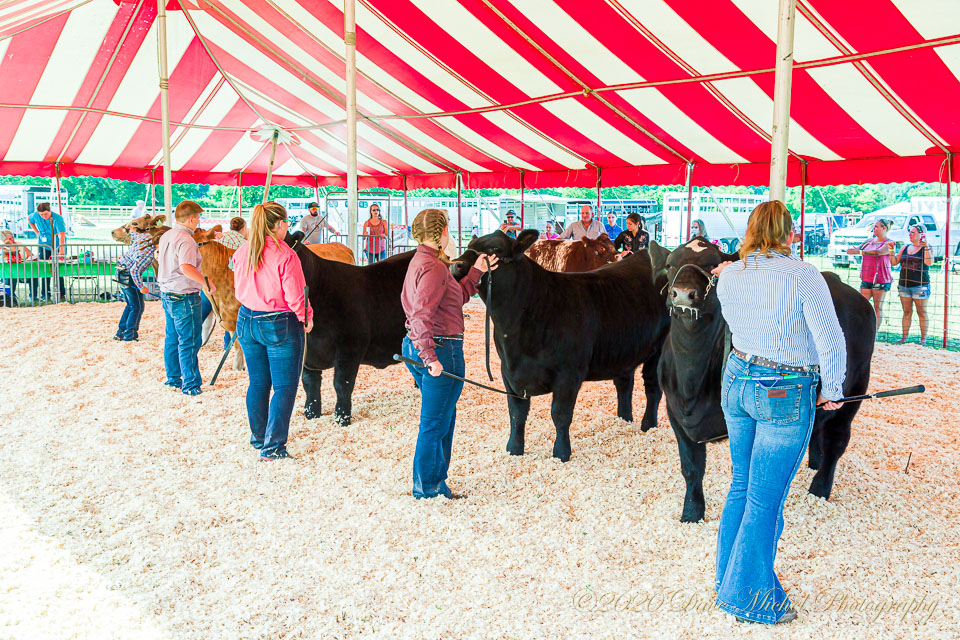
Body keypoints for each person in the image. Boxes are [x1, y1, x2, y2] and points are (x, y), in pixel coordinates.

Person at [711, 200, 846, 625]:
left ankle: (727, 580)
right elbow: (830, 339)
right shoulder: (803, 274)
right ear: (789, 233)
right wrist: (834, 389)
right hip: (783, 387)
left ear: (751, 231)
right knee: (764, 497)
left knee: (741, 484)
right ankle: (750, 597)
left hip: (737, 377)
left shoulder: (729, 274)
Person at [401, 208, 498, 499]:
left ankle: (432, 482)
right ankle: (428, 487)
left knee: (441, 417)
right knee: (435, 422)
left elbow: (454, 298)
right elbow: (421, 314)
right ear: (442, 231)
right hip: (441, 348)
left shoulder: (423, 261)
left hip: (422, 345)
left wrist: (475, 272)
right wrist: (430, 357)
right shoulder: (433, 267)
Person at [233, 202, 312, 461]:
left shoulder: (243, 251)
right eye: (286, 222)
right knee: (284, 387)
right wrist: (306, 317)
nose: (287, 227)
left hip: (246, 318)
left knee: (258, 383)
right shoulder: (285, 254)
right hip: (278, 322)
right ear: (279, 224)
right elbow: (295, 296)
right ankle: (273, 447)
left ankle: (259, 438)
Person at [157, 200, 210, 396]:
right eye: (198, 217)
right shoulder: (186, 239)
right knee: (189, 340)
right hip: (184, 295)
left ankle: (173, 379)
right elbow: (186, 267)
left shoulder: (167, 235)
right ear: (191, 219)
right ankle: (191, 385)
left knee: (172, 338)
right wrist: (206, 282)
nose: (198, 221)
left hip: (167, 293)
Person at [846, 219, 894, 328]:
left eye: (876, 226)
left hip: (880, 279)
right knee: (859, 304)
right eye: (874, 226)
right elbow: (858, 249)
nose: (874, 229)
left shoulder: (889, 243)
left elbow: (878, 252)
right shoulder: (868, 241)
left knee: (877, 307)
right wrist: (852, 250)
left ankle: (874, 332)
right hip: (866, 278)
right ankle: (861, 329)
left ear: (884, 228)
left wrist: (859, 252)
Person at [892, 224, 933, 344]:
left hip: (920, 285)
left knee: (921, 312)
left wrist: (925, 246)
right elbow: (894, 262)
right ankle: (904, 338)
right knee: (906, 312)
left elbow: (929, 263)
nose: (910, 234)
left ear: (921, 234)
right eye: (910, 232)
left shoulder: (927, 247)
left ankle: (923, 339)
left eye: (913, 232)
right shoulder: (905, 247)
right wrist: (891, 250)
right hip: (904, 285)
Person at [114, 223, 155, 341]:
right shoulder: (148, 253)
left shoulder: (143, 237)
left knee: (131, 305)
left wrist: (130, 228)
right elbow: (134, 270)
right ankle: (129, 335)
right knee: (137, 306)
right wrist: (141, 287)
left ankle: (120, 333)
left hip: (120, 271)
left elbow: (133, 233)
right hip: (128, 275)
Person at [27, 202, 66, 301]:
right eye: (41, 214)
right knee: (45, 270)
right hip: (43, 245)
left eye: (45, 214)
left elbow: (61, 235)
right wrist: (37, 232)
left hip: (57, 245)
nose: (44, 216)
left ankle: (61, 294)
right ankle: (45, 295)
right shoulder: (36, 215)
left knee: (58, 270)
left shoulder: (58, 218)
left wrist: (61, 250)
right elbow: (29, 219)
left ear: (50, 211)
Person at [2, 229, 31, 305]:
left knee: (33, 276)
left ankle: (33, 297)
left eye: (12, 237)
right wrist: (10, 246)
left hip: (24, 269)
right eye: (10, 239)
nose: (12, 240)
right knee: (11, 277)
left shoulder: (19, 244)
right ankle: (11, 298)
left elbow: (30, 254)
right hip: (11, 271)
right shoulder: (3, 248)